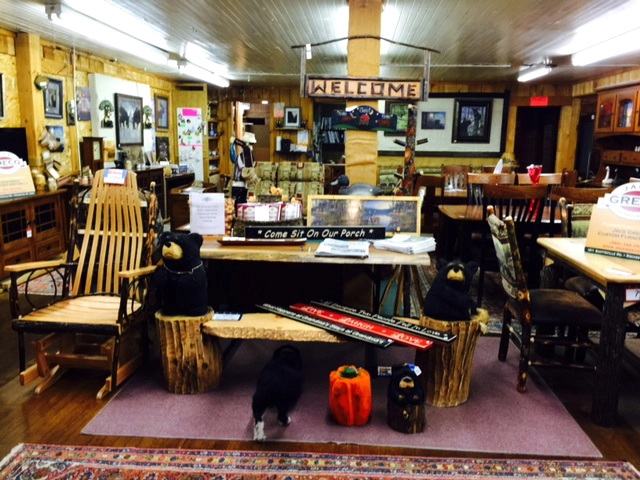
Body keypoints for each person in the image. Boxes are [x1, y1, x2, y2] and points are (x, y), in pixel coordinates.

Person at [232, 131, 256, 206]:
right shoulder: (246, 153)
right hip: (240, 184)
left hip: (240, 184)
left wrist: (235, 140)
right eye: (251, 144)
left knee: (239, 206)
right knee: (240, 205)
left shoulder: (246, 153)